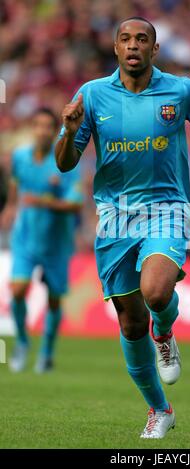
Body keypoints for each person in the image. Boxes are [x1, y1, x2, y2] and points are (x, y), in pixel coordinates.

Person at [55, 17, 190, 438]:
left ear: (154, 49)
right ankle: (160, 409)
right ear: (115, 48)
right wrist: (71, 131)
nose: (133, 45)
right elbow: (64, 162)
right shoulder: (92, 96)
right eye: (125, 39)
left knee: (156, 292)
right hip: (114, 217)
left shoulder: (180, 91)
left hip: (167, 208)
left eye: (142, 39)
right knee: (130, 325)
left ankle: (165, 331)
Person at [5, 108, 83, 373]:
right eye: (37, 125)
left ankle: (47, 352)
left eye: (48, 126)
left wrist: (45, 202)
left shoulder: (67, 161)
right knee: (17, 290)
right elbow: (16, 183)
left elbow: (76, 204)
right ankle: (23, 343)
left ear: (55, 130)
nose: (42, 131)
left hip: (56, 242)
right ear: (32, 128)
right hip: (25, 236)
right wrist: (10, 207)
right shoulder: (20, 157)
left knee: (53, 300)